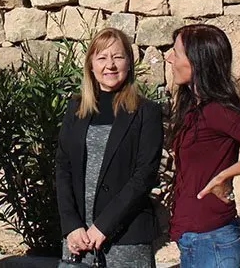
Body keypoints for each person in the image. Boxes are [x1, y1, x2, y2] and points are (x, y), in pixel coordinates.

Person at [165, 24, 240, 268]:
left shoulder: (217, 110)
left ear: (197, 61)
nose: (169, 58)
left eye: (176, 53)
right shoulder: (194, 110)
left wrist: (224, 176)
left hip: (212, 241)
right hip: (195, 238)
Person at [56, 28, 164, 267]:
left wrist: (103, 226)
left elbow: (144, 176)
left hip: (127, 239)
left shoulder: (147, 112)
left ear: (129, 63)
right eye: (102, 58)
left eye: (118, 57)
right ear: (91, 66)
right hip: (78, 239)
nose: (110, 65)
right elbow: (63, 169)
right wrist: (71, 225)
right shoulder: (75, 109)